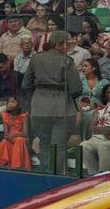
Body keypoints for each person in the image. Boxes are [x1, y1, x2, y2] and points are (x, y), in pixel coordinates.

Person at [22, 31, 82, 172]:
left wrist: (37, 95)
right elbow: (76, 88)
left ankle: (46, 174)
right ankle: (57, 175)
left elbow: (25, 84)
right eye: (67, 44)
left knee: (44, 144)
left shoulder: (36, 59)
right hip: (62, 107)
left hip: (39, 107)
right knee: (59, 146)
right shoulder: (67, 61)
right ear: (59, 44)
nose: (68, 47)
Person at [80, 84, 110, 175]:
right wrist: (103, 130)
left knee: (103, 146)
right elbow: (92, 127)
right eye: (109, 92)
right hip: (99, 137)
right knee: (83, 145)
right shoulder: (99, 110)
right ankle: (93, 174)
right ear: (105, 96)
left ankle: (103, 175)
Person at [0, 96, 31, 170]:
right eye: (8, 102)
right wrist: (8, 137)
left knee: (19, 140)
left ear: (19, 105)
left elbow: (25, 134)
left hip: (22, 137)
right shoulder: (5, 115)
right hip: (10, 138)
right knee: (3, 143)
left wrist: (14, 135)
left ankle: (17, 167)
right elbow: (6, 134)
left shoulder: (23, 116)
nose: (9, 104)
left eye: (13, 102)